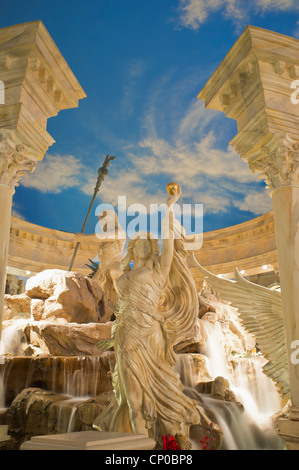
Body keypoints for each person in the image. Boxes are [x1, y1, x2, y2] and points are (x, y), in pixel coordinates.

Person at [93, 186, 200, 449]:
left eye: (145, 243)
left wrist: (170, 207)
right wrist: (127, 256)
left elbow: (168, 248)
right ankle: (137, 445)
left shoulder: (159, 272)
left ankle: (160, 437)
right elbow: (115, 269)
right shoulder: (123, 276)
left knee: (160, 389)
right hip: (127, 335)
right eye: (137, 243)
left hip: (151, 334)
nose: (141, 246)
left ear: (151, 248)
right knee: (132, 399)